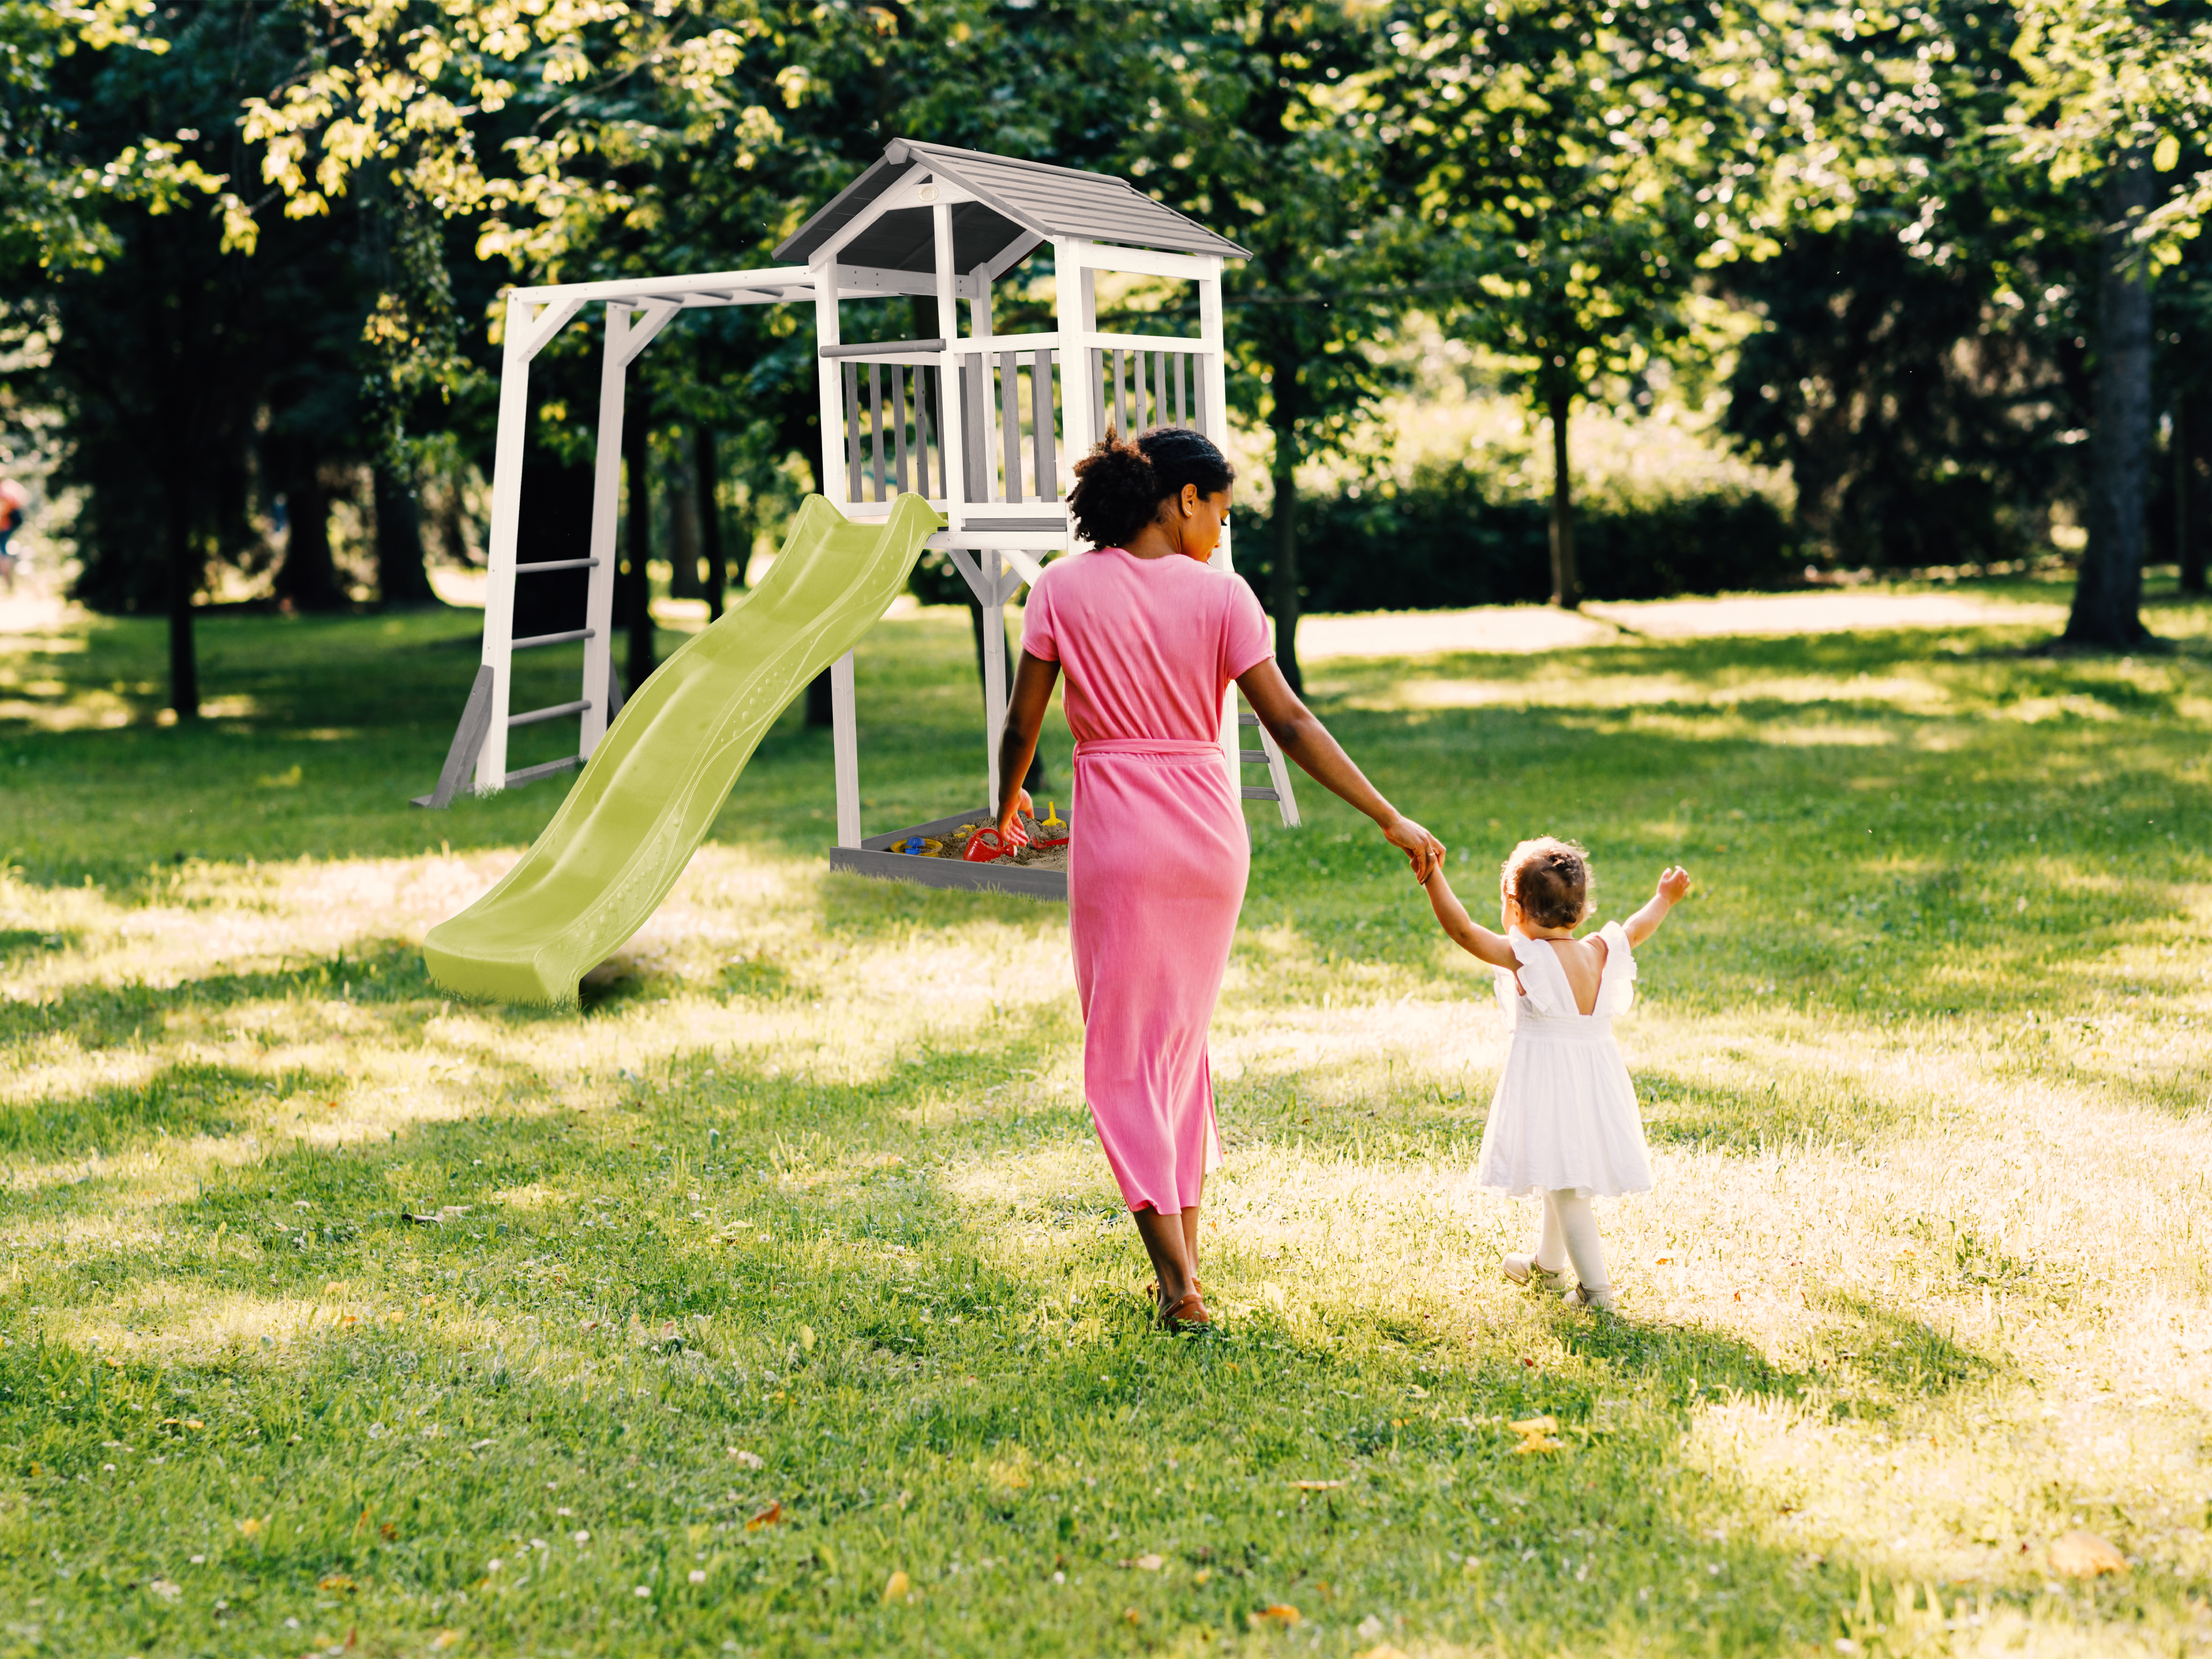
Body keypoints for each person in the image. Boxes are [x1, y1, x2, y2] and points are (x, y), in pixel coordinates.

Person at [991, 427, 1444, 1331]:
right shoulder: (1225, 597)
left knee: (1123, 1059)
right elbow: (1292, 723)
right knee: (1177, 1051)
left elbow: (1021, 725)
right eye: (1222, 513)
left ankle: (1178, 1287)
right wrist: (1387, 814)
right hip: (1209, 839)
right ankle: (1186, 1269)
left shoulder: (1060, 588)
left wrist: (1005, 809)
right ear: (1184, 499)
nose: (1222, 533)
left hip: (1120, 841)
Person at [1418, 838, 1692, 1312]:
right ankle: (1547, 1267)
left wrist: (1431, 876)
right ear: (1580, 911)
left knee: (1566, 1189)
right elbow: (1636, 927)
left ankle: (1596, 1293)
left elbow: (1462, 930)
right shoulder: (1599, 951)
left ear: (1515, 908)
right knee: (1557, 1170)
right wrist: (1664, 899)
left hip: (1551, 1085)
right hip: (1595, 1084)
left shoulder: (1527, 958)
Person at [0, 478, 27, 595]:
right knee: (3, 548)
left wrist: (3, 521)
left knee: (2, 549)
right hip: (12, 521)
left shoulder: (4, 491)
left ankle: (7, 574)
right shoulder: (8, 486)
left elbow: (7, 506)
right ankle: (7, 576)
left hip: (9, 522)